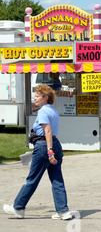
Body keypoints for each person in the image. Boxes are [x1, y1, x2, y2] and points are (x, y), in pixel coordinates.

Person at [3, 84, 72, 220]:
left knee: (32, 179)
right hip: (56, 144)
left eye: (37, 96)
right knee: (57, 179)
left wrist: (49, 151)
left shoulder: (43, 112)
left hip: (44, 146)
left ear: (45, 97)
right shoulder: (53, 110)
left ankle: (18, 207)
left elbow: (47, 131)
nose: (35, 98)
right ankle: (63, 211)